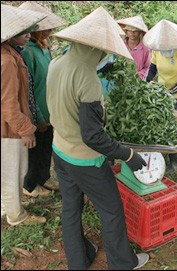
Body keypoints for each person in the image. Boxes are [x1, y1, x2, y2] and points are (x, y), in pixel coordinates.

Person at [46, 7, 149, 270]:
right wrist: (128, 154)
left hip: (59, 150)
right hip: (84, 160)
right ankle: (123, 263)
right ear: (99, 50)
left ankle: (79, 261)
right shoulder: (88, 79)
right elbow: (93, 137)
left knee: (71, 210)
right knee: (112, 211)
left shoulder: (57, 63)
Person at [1, 4, 48, 225]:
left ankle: (8, 206)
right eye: (23, 31)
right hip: (8, 128)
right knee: (13, 173)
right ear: (10, 35)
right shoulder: (7, 61)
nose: (28, 34)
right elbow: (9, 103)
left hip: (8, 126)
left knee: (9, 171)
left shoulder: (11, 54)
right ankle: (16, 216)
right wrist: (26, 130)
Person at [18, 1, 64, 198]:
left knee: (47, 146)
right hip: (37, 110)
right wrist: (38, 116)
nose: (49, 32)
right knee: (35, 150)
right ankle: (30, 185)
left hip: (50, 106)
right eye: (44, 29)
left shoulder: (44, 47)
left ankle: (44, 178)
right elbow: (28, 88)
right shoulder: (27, 52)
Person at [144, 19, 177, 174]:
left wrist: (170, 93)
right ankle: (162, 155)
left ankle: (174, 161)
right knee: (158, 124)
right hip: (160, 92)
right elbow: (152, 69)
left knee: (172, 125)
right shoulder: (157, 50)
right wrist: (145, 83)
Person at [117, 15, 150, 80]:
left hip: (138, 81)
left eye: (135, 31)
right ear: (126, 31)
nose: (132, 33)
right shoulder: (121, 45)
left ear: (140, 32)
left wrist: (138, 75)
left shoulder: (145, 49)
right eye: (130, 31)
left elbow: (147, 67)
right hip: (121, 79)